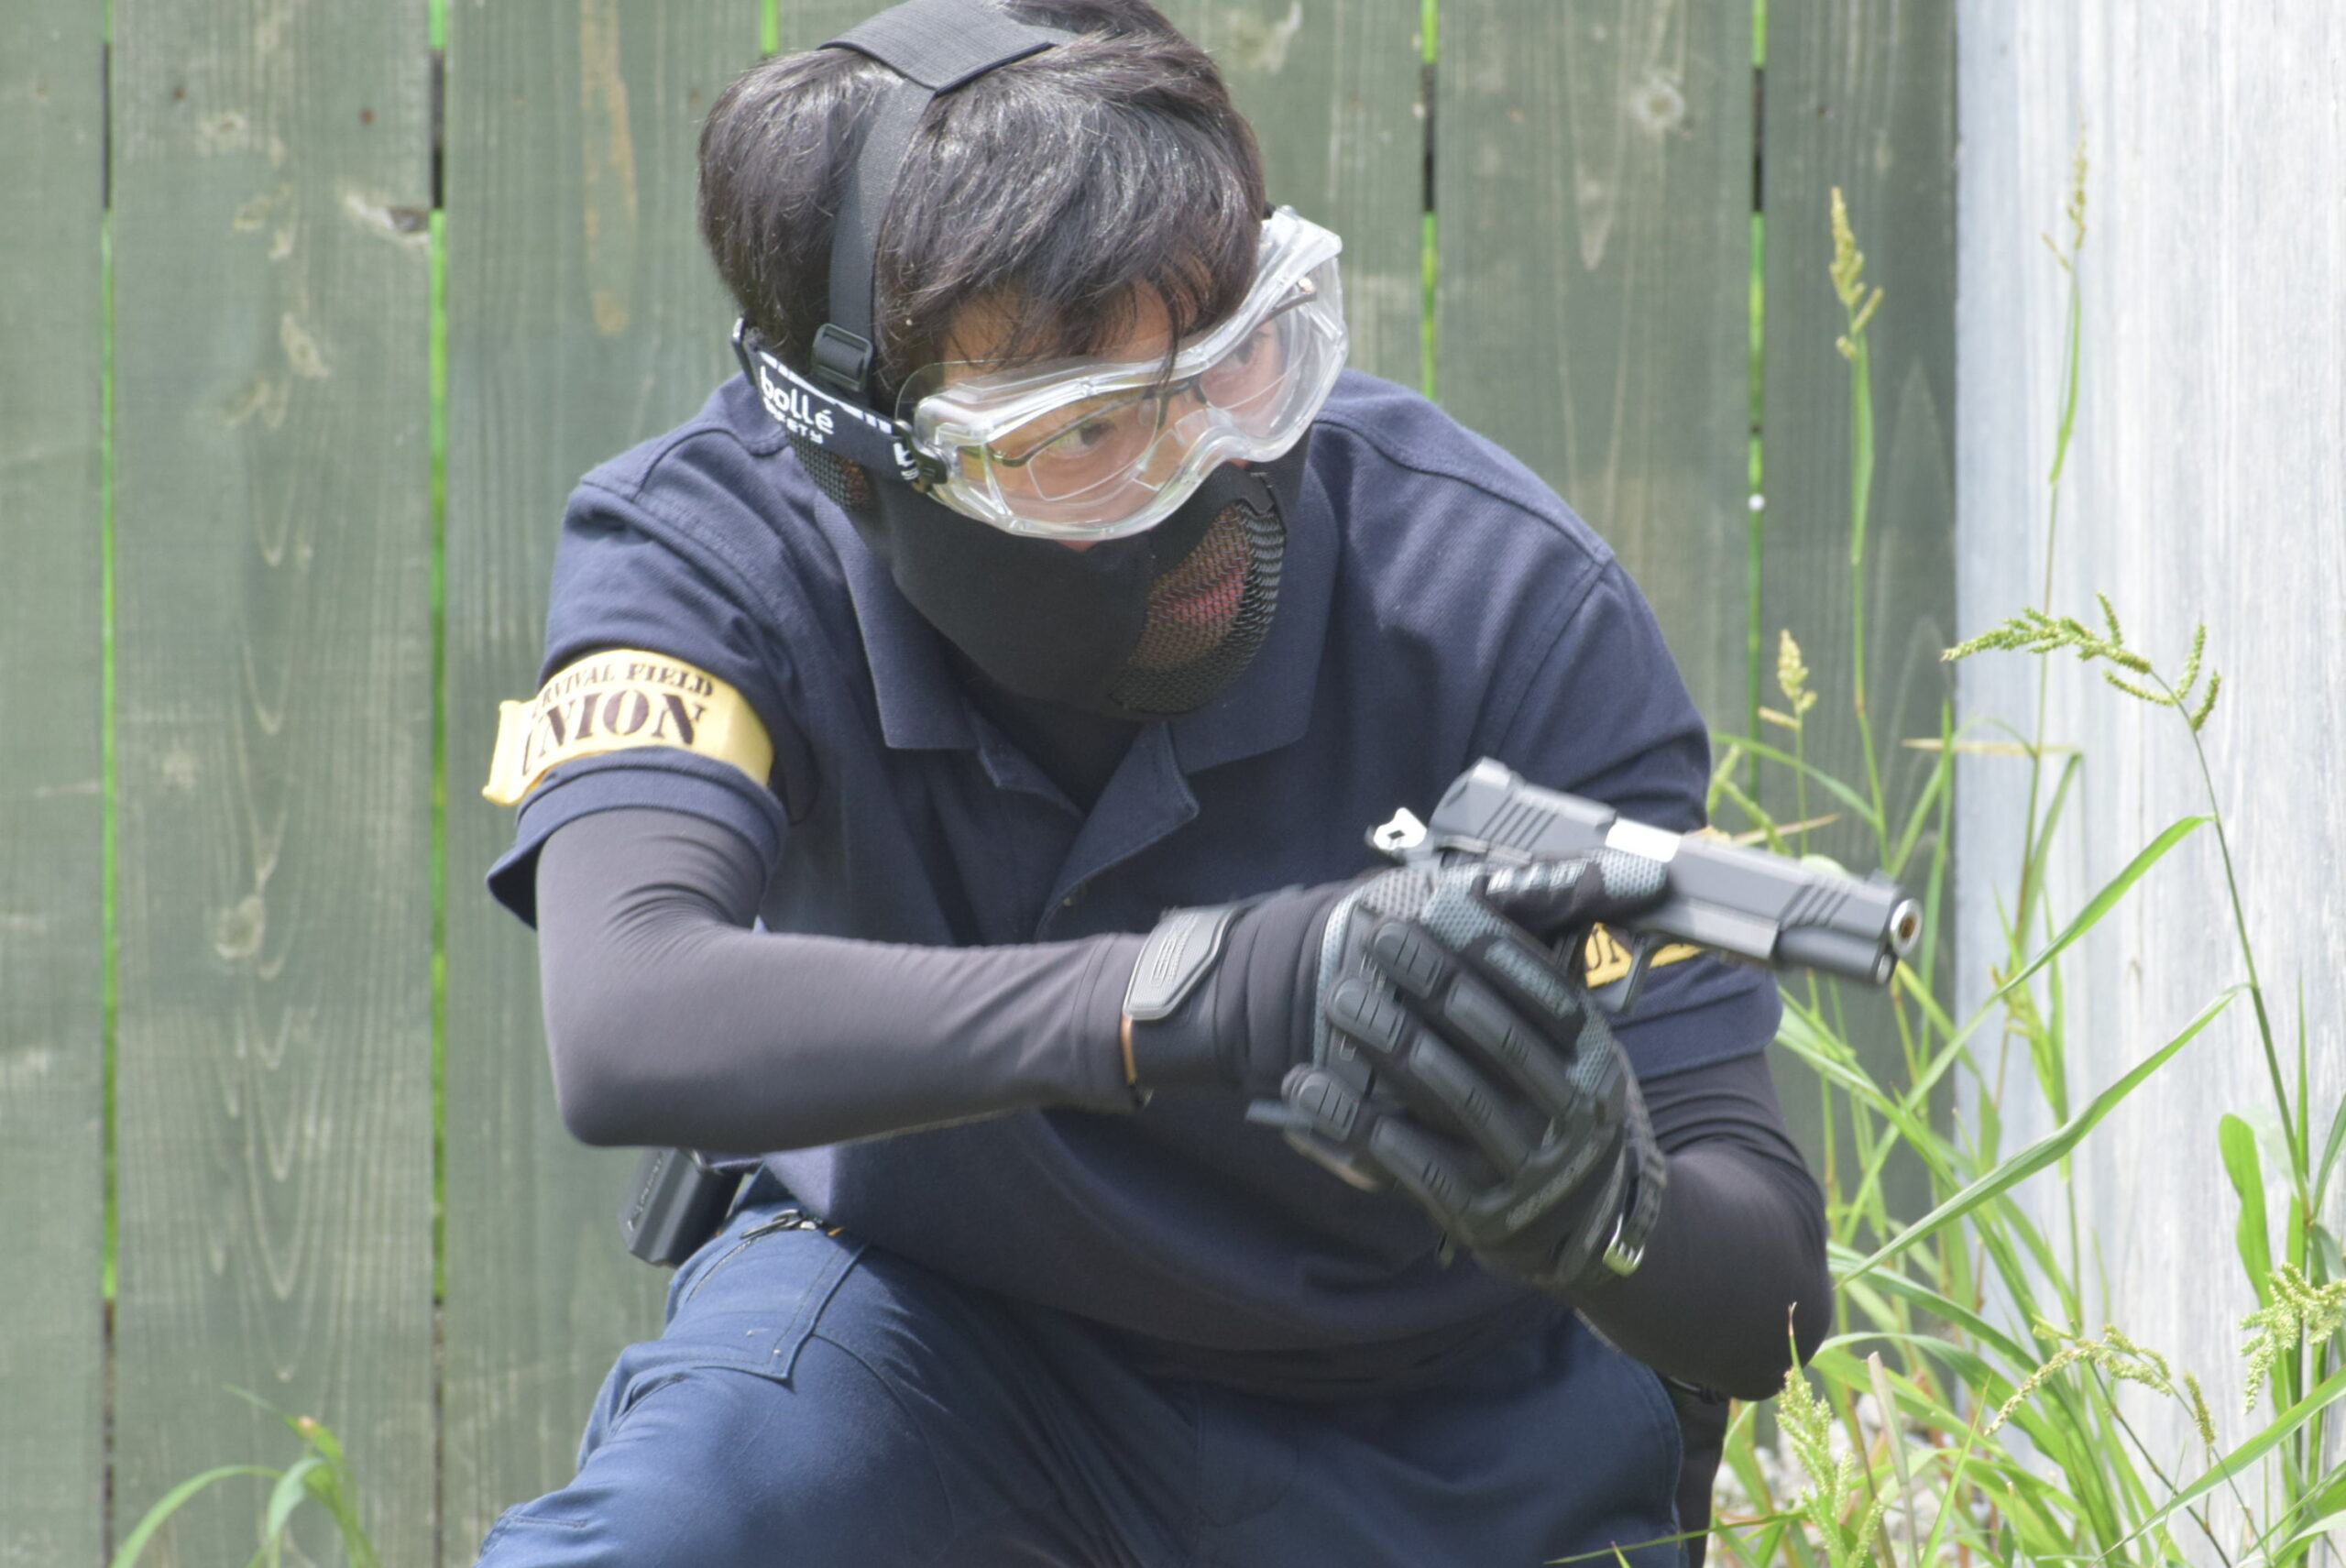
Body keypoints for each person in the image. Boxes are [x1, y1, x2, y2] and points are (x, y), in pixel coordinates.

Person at [472, 2, 1830, 1564]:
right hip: (927, 1345)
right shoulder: (716, 549)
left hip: (1435, 1406)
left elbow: (1770, 1303)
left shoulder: (1496, 601)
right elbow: (629, 1011)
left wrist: (1604, 1214)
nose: (1210, 474)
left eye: (1241, 360)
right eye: (1083, 434)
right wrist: (1198, 992)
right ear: (853, 462)